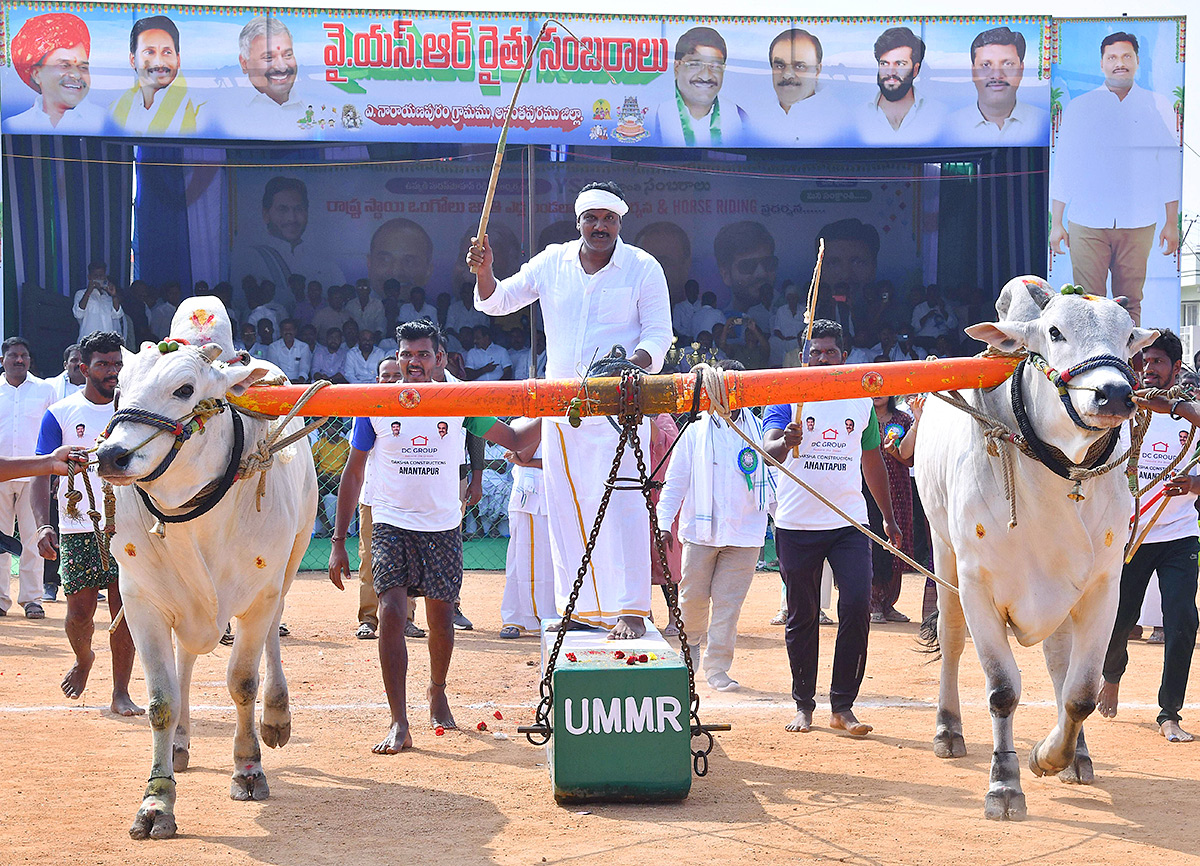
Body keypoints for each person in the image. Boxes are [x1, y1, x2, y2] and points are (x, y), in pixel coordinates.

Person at [470, 181, 672, 639]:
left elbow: (659, 337)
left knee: (624, 507)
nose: (600, 227)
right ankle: (578, 607)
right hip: (563, 409)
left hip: (620, 407)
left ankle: (632, 610)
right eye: (592, 218)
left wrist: (627, 366)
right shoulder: (551, 261)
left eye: (609, 219)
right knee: (566, 508)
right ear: (578, 221)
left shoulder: (643, 267)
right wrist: (485, 270)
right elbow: (495, 301)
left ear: (620, 221)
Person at [327, 320, 534, 752]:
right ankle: (399, 721)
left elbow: (513, 437)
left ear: (440, 357)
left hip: (442, 525)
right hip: (389, 520)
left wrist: (561, 411)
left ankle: (437, 689)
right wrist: (338, 540)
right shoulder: (376, 402)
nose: (413, 362)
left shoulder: (460, 399)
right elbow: (354, 470)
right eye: (406, 355)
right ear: (397, 358)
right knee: (392, 611)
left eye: (422, 354)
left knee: (441, 619)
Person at [763, 319, 900, 736]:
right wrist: (786, 442)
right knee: (802, 616)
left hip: (849, 524)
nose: (822, 358)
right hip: (796, 524)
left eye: (830, 352)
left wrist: (889, 519)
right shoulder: (786, 394)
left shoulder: (860, 396)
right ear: (804, 356)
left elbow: (871, 460)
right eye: (815, 352)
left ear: (844, 355)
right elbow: (769, 452)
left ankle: (843, 706)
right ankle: (803, 704)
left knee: (857, 607)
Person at [31, 332, 143, 717]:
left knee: (123, 610)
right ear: (84, 368)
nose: (112, 371)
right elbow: (40, 474)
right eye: (103, 364)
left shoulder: (134, 412)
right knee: (79, 614)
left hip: (128, 525)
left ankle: (121, 692)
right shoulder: (60, 413)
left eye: (117, 364)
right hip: (78, 525)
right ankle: (83, 658)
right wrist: (44, 526)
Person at [1098, 330, 1197, 743]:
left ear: (1176, 368)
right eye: (1145, 361)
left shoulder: (1191, 415)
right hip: (1131, 535)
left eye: (1158, 362)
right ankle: (1112, 676)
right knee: (1120, 620)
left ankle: (1169, 712)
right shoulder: (1123, 411)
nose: (1149, 369)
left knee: (1182, 622)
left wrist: (1193, 484)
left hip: (1181, 535)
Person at [657, 360, 774, 690]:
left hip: (746, 533)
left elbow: (775, 479)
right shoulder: (693, 431)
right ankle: (690, 645)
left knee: (728, 605)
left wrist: (785, 523)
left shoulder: (760, 432)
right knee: (692, 600)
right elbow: (675, 481)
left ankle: (718, 669)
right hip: (700, 532)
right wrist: (663, 522)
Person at [1049, 31, 1180, 326]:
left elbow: (1168, 166)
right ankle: (1092, 371)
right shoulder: (1080, 106)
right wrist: (1057, 222)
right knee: (1087, 304)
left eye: (1126, 57)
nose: (1119, 63)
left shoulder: (1157, 105)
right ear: (1102, 64)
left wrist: (1171, 222)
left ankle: (1129, 373)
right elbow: (1066, 164)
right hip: (1086, 221)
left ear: (1136, 62)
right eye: (1112, 58)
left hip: (1139, 221)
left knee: (1129, 303)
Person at [0, 338, 56, 618]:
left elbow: (56, 431)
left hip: (34, 476)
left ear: (30, 360)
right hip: (0, 475)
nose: (19, 360)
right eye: (13, 356)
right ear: (3, 361)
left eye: (24, 355)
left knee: (34, 539)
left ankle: (32, 599)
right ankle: (0, 600)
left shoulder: (45, 390)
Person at [947, 26, 1050, 144]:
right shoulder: (949, 126)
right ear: (973, 71)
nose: (997, 75)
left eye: (1008, 64)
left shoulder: (1044, 122)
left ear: (1021, 70)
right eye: (986, 65)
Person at [7, 12, 105, 132]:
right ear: (36, 74)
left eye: (83, 67)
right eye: (64, 65)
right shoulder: (14, 125)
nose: (77, 75)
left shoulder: (106, 122)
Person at [499, 435, 554, 638]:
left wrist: (524, 461)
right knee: (519, 559)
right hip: (526, 500)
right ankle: (514, 619)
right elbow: (524, 453)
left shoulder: (566, 422)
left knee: (553, 560)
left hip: (556, 497)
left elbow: (556, 460)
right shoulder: (521, 425)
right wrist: (540, 422)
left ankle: (555, 615)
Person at [866, 395, 915, 623]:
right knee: (872, 542)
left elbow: (911, 460)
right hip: (865, 487)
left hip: (898, 488)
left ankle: (889, 604)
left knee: (896, 545)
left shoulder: (904, 419)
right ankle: (872, 602)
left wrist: (894, 451)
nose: (877, 393)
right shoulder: (860, 416)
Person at [653, 27, 746, 147]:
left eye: (715, 65)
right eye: (695, 64)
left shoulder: (739, 117)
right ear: (677, 68)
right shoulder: (656, 116)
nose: (706, 76)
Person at [110, 15, 200, 135]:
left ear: (178, 60)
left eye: (167, 52)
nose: (159, 62)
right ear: (133, 60)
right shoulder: (115, 110)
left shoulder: (197, 109)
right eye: (149, 52)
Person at [754, 28, 845, 145]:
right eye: (780, 66)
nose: (787, 75)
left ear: (817, 70)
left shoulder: (839, 121)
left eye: (800, 66)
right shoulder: (754, 117)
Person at [857, 26, 946, 145]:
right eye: (884, 63)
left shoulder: (939, 114)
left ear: (915, 70)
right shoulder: (859, 115)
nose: (890, 72)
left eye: (899, 64)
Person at [815, 219, 882, 346]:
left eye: (858, 262)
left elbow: (867, 328)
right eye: (834, 263)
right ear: (819, 270)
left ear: (874, 267)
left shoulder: (866, 307)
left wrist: (851, 308)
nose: (846, 275)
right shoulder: (822, 307)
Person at [714, 221, 777, 315]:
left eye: (767, 263)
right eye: (748, 265)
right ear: (726, 274)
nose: (761, 273)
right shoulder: (721, 318)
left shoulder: (784, 310)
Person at [368, 218, 433, 295]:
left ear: (428, 270)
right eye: (385, 260)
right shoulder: (354, 306)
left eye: (409, 261)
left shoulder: (431, 307)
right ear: (369, 263)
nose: (396, 272)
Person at [634, 221, 693, 306]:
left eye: (664, 262)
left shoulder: (693, 311)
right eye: (644, 265)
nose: (651, 271)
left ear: (686, 265)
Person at [72, 261, 125, 341]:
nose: (99, 278)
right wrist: (89, 291)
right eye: (95, 276)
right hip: (89, 342)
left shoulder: (108, 297)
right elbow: (78, 314)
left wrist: (114, 295)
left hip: (107, 343)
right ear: (89, 277)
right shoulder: (81, 293)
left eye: (101, 275)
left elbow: (117, 315)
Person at [672, 279, 703, 343]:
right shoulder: (679, 307)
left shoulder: (703, 305)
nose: (692, 293)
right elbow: (676, 326)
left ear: (698, 291)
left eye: (694, 290)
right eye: (689, 291)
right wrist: (689, 335)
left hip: (701, 339)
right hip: (684, 339)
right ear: (686, 292)